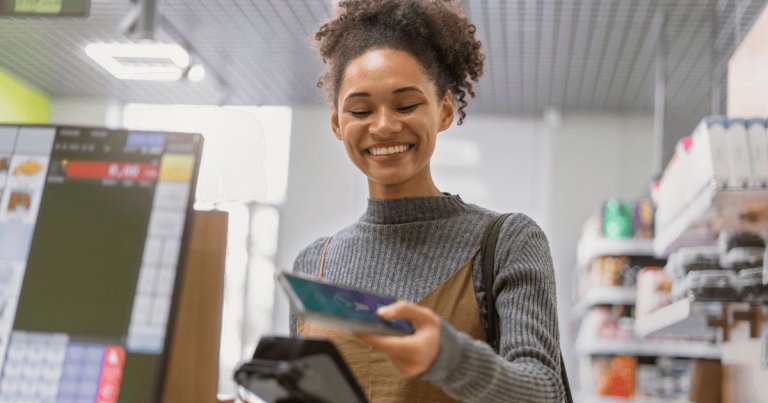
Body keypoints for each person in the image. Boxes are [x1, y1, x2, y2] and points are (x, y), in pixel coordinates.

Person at [290, 1, 565, 401]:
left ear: (445, 111)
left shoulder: (508, 242)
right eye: (361, 109)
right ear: (337, 122)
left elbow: (544, 392)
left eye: (406, 105)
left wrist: (449, 358)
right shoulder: (314, 265)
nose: (384, 125)